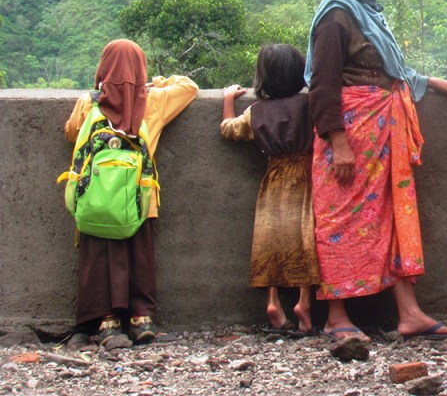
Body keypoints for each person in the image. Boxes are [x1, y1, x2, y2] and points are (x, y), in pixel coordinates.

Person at [306, 0, 447, 343]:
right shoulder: (336, 16)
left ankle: (409, 312)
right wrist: (338, 141)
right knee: (341, 220)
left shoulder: (368, 14)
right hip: (350, 135)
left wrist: (426, 81)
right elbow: (323, 85)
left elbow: (385, 70)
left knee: (394, 217)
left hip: (382, 135)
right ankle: (336, 314)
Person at [63, 39, 198, 347]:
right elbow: (189, 87)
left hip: (96, 200)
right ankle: (141, 320)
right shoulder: (153, 100)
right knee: (139, 256)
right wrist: (156, 83)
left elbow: (72, 132)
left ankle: (107, 323)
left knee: (99, 258)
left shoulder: (90, 101)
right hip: (140, 200)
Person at [220, 44, 319, 335]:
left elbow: (228, 128)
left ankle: (273, 301)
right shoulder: (310, 104)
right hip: (307, 175)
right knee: (305, 237)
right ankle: (304, 302)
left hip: (274, 178)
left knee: (270, 240)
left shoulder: (256, 111)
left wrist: (227, 98)